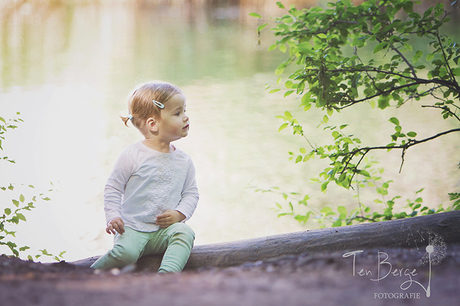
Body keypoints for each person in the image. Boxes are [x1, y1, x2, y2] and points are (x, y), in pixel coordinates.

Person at [91, 81, 199, 273]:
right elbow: (113, 187)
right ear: (153, 124)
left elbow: (191, 193)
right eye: (177, 113)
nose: (185, 117)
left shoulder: (184, 160)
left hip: (164, 232)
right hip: (132, 228)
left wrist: (179, 214)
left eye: (184, 110)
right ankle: (84, 274)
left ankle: (166, 275)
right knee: (126, 254)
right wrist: (113, 215)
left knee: (184, 233)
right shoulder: (133, 154)